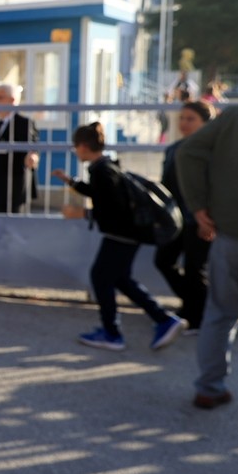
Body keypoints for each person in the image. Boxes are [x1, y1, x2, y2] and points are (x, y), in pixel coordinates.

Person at [52, 122, 186, 352]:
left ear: (83, 146)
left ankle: (112, 333)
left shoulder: (102, 172)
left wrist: (81, 213)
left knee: (101, 277)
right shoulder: (105, 167)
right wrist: (72, 182)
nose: (75, 151)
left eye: (76, 147)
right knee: (120, 279)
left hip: (121, 235)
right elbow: (101, 195)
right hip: (127, 234)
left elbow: (113, 209)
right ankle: (163, 320)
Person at [177, 104, 238, 410]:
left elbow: (187, 151)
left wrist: (199, 206)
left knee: (219, 313)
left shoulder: (234, 116)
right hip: (227, 232)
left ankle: (209, 387)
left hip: (229, 234)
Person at [154, 100, 214, 332]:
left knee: (194, 269)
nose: (184, 123)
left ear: (205, 124)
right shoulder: (173, 149)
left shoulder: (210, 152)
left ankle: (197, 316)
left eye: (191, 119)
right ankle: (195, 305)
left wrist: (207, 219)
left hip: (199, 220)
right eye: (182, 118)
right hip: (175, 220)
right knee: (163, 261)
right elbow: (166, 187)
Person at [0, 82, 39, 214]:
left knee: (13, 226)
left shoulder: (24, 123)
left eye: (0, 98)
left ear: (12, 100)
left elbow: (32, 145)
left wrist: (33, 156)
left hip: (14, 187)